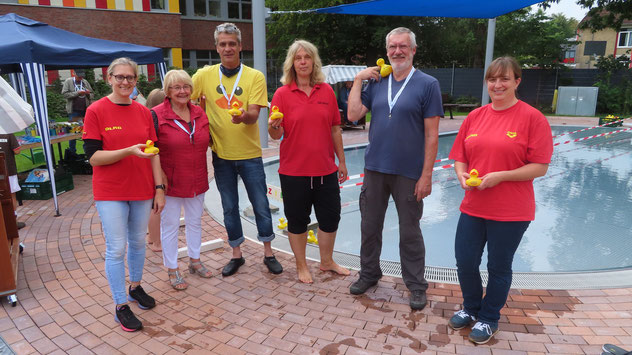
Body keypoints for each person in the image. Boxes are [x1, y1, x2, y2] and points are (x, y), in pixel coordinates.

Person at [447, 56, 553, 344]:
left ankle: (489, 317)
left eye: (504, 78)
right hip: (473, 205)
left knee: (498, 267)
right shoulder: (475, 117)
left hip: (511, 210)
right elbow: (459, 157)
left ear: (517, 81)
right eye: (492, 79)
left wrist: (501, 176)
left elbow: (540, 166)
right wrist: (461, 174)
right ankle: (471, 308)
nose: (497, 84)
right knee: (465, 261)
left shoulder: (532, 118)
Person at [346, 27, 443, 310]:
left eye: (403, 46)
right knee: (369, 226)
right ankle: (369, 274)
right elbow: (353, 116)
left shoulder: (427, 84)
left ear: (413, 50)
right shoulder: (376, 82)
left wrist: (427, 175)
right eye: (392, 47)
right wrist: (357, 80)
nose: (397, 51)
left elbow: (432, 135)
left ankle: (415, 286)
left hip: (409, 172)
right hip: (375, 168)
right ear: (386, 51)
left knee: (409, 231)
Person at [191, 22, 282, 277]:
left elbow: (254, 115)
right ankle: (236, 254)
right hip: (221, 155)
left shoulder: (255, 76)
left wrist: (243, 117)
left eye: (232, 43)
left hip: (250, 154)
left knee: (261, 203)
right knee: (229, 206)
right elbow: (181, 94)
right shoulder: (204, 75)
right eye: (223, 44)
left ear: (240, 46)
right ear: (217, 47)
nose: (228, 48)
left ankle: (268, 252)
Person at [83, 57, 165, 332]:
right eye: (120, 77)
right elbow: (93, 157)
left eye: (130, 78)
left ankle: (136, 287)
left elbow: (153, 153)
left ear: (135, 81)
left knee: (139, 243)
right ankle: (120, 305)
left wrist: (159, 188)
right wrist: (129, 151)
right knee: (117, 248)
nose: (125, 82)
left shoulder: (144, 112)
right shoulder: (96, 111)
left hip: (141, 189)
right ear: (109, 79)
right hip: (111, 192)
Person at [268, 40, 350, 284]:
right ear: (291, 63)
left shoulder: (326, 91)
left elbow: (336, 129)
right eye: (297, 58)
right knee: (297, 220)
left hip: (326, 169)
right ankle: (302, 266)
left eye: (307, 57)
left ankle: (326, 261)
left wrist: (342, 162)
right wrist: (274, 126)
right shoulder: (282, 94)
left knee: (331, 218)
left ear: (314, 61)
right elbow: (275, 135)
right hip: (294, 172)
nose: (302, 61)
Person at [152, 70, 211, 290]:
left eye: (186, 86)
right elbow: (152, 149)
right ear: (167, 91)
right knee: (170, 226)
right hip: (171, 182)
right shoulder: (156, 114)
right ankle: (172, 268)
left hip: (197, 177)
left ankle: (195, 261)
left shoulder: (199, 113)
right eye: (176, 87)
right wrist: (160, 178)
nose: (182, 91)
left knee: (195, 221)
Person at [145, 88, 167, 252]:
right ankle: (157, 242)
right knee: (157, 205)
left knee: (153, 204)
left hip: (151, 165)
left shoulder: (147, 116)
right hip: (156, 166)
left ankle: (152, 237)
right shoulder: (155, 119)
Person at [62, 69, 94, 153]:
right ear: (74, 73)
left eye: (82, 76)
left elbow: (92, 93)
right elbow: (65, 94)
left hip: (85, 110)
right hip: (74, 111)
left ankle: (87, 151)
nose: (81, 77)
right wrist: (78, 93)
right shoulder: (68, 81)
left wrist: (88, 94)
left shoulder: (85, 82)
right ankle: (72, 153)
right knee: (73, 132)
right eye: (79, 76)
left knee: (86, 131)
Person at [0, 134, 24, 228]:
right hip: (8, 169)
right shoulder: (8, 133)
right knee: (11, 195)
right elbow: (17, 151)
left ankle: (3, 224)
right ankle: (13, 221)